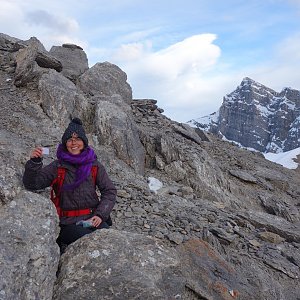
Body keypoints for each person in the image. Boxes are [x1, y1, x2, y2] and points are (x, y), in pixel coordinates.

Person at [23, 118, 117, 252]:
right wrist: (35, 162)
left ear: (84, 143)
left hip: (93, 218)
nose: (74, 143)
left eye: (78, 139)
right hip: (68, 223)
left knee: (110, 241)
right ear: (65, 143)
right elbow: (32, 184)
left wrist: (100, 215)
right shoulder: (58, 166)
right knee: (90, 242)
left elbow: (109, 191)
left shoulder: (94, 166)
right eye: (70, 140)